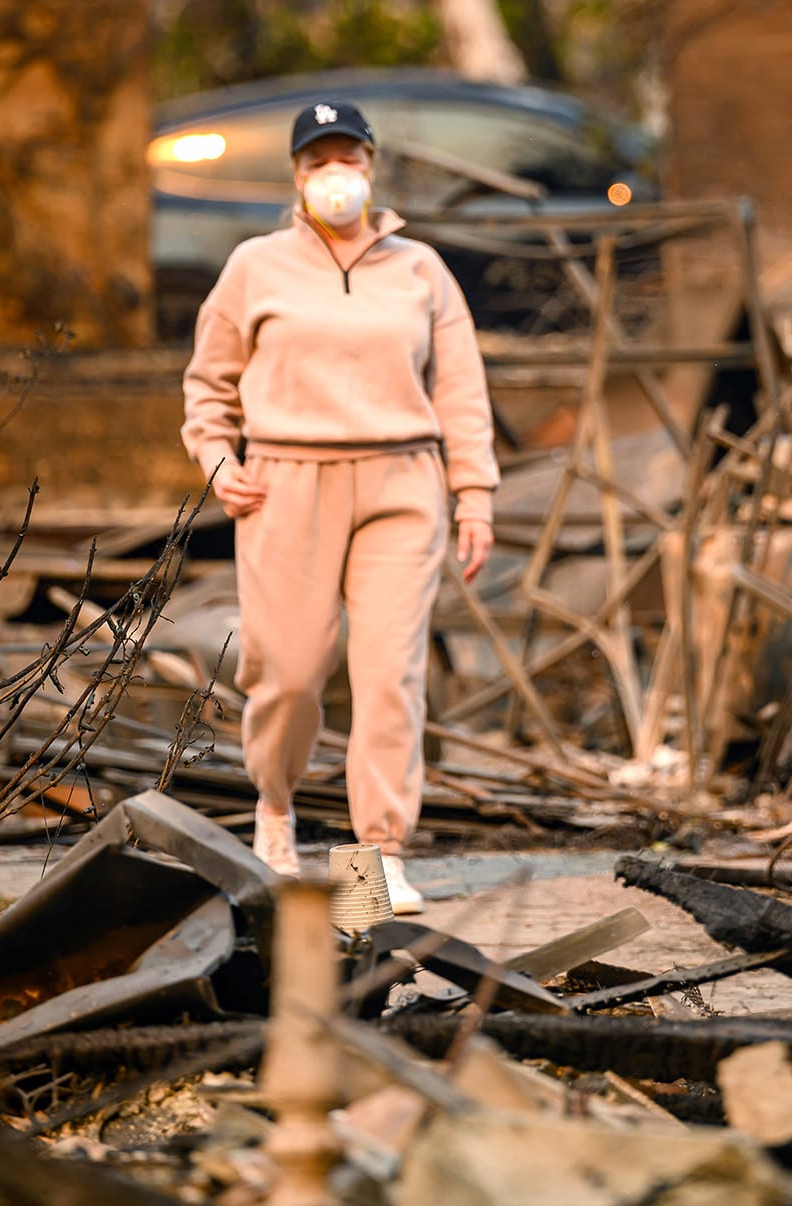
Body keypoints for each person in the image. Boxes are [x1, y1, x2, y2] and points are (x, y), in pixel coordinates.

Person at [180, 100, 499, 910]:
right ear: (296, 175)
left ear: (370, 164)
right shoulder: (255, 265)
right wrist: (217, 462)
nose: (334, 174)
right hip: (287, 481)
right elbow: (207, 387)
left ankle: (371, 867)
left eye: (347, 156)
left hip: (402, 479)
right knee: (286, 673)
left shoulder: (421, 269)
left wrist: (475, 496)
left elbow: (461, 389)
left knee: (389, 674)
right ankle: (276, 811)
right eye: (317, 160)